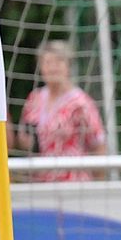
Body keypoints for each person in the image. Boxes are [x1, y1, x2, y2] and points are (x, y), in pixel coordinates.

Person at [16, 40, 107, 182]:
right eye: (47, 62)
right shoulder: (34, 98)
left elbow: (98, 144)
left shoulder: (80, 103)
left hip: (73, 181)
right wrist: (26, 142)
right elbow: (22, 137)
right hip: (39, 182)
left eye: (58, 61)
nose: (53, 67)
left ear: (68, 66)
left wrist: (99, 184)